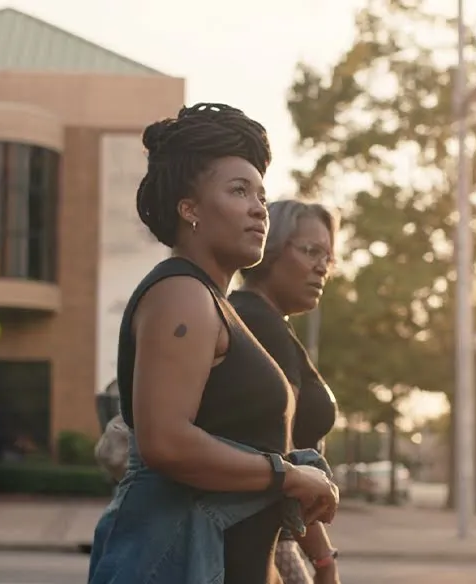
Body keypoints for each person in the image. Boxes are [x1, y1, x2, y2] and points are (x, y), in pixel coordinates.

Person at [87, 103, 339, 584]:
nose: (258, 208)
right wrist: (289, 476)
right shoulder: (181, 293)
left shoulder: (216, 304)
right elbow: (166, 442)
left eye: (262, 196)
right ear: (190, 209)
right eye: (239, 191)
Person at [230, 200, 341, 584]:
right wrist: (324, 561)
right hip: (260, 547)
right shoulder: (260, 325)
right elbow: (283, 458)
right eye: (310, 251)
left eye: (328, 256)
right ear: (271, 247)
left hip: (269, 540)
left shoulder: (260, 320)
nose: (322, 267)